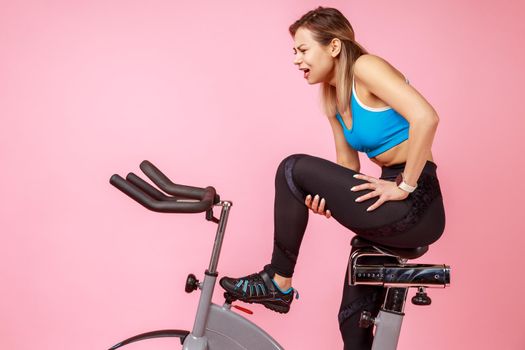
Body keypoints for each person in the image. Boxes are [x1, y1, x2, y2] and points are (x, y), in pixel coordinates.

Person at [220, 6, 445, 349]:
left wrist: (404, 186)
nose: (296, 59)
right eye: (294, 51)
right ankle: (284, 288)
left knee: (291, 167)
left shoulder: (365, 67)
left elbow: (426, 118)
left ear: (334, 47)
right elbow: (347, 168)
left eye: (303, 49)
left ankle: (278, 281)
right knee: (352, 324)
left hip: (416, 202)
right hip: (387, 203)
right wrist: (323, 198)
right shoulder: (331, 96)